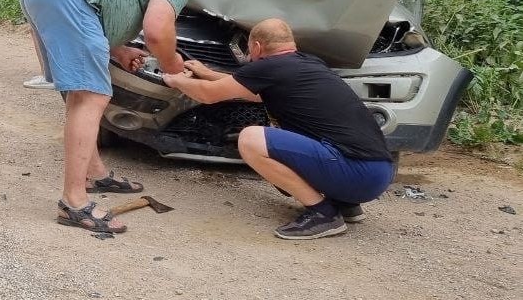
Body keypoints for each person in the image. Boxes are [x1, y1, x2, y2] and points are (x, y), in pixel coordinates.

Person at [19, 0, 206, 233]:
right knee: (93, 95)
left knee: (81, 91)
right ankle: (74, 203)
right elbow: (157, 30)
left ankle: (95, 173)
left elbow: (97, 1)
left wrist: (118, 50)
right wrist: (174, 70)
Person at [162, 17, 395, 241]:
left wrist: (174, 80)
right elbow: (250, 90)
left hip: (355, 172)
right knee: (300, 136)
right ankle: (345, 205)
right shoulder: (308, 63)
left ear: (256, 46)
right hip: (377, 173)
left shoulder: (268, 67)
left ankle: (323, 214)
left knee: (250, 139)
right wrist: (208, 73)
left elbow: (207, 95)